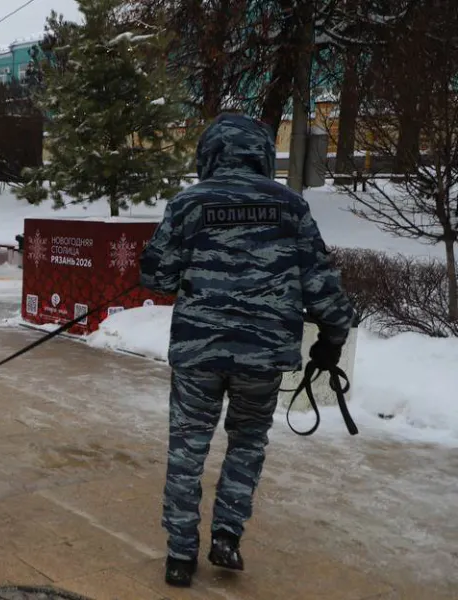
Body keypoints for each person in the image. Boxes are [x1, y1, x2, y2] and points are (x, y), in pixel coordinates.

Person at [139, 113, 355, 588]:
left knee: (187, 450)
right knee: (248, 443)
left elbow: (156, 276)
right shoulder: (290, 206)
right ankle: (227, 537)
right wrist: (333, 337)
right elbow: (320, 282)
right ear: (259, 152)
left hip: (199, 353)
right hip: (263, 355)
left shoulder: (188, 203)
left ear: (210, 153)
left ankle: (179, 556)